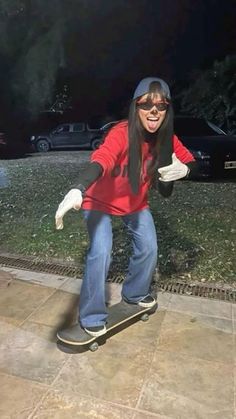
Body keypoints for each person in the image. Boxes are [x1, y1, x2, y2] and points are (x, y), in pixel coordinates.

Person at [55, 77, 197, 340]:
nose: (153, 111)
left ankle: (135, 294)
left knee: (149, 247)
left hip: (134, 204)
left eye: (161, 105)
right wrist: (78, 186)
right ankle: (92, 318)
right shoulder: (122, 132)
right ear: (136, 107)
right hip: (97, 201)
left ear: (167, 110)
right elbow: (103, 158)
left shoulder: (167, 139)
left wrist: (186, 170)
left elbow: (193, 161)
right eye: (146, 104)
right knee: (101, 251)